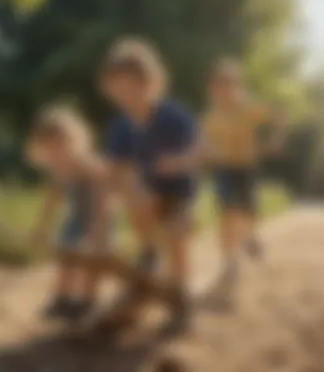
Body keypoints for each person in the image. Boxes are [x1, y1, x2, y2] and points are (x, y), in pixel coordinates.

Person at [157, 58, 284, 294]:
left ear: (238, 86)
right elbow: (201, 147)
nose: (223, 91)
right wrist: (180, 161)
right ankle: (229, 261)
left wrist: (275, 138)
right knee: (227, 212)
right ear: (211, 90)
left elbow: (278, 115)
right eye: (217, 86)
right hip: (224, 169)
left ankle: (250, 235)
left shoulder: (249, 108)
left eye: (228, 85)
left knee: (248, 211)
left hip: (247, 167)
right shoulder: (210, 117)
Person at [99, 38, 198, 320]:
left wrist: (179, 162)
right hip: (145, 194)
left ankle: (180, 291)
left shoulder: (172, 117)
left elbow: (200, 150)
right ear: (111, 89)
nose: (127, 95)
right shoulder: (120, 127)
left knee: (177, 235)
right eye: (120, 89)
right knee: (131, 186)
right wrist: (106, 206)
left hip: (178, 192)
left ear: (151, 82)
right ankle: (148, 252)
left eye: (133, 86)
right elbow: (115, 169)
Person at [26, 105, 111, 321]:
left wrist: (98, 230)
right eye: (51, 144)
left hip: (99, 216)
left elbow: (103, 196)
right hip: (76, 218)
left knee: (92, 259)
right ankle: (63, 297)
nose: (57, 149)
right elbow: (51, 201)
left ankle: (88, 301)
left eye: (61, 142)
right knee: (67, 254)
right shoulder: (57, 170)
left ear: (74, 140)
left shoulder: (87, 165)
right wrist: (41, 227)